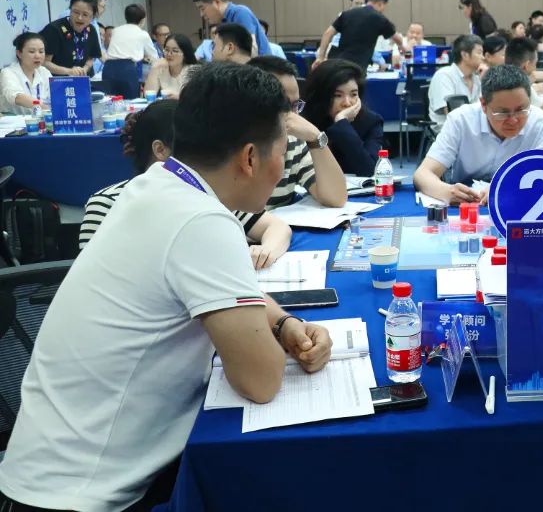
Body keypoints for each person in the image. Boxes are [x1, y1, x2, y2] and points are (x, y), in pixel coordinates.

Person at [0, 63, 334, 512]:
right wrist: (274, 339)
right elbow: (261, 381)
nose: (281, 166)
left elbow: (220, 286)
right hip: (84, 497)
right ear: (250, 158)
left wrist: (282, 323)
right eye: (282, 148)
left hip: (46, 473)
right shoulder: (201, 220)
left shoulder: (159, 184)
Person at [79, 99, 293, 269]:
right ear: (160, 150)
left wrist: (264, 252)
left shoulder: (208, 193)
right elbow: (97, 276)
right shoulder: (105, 203)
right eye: (189, 148)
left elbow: (277, 228)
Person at [414, 65, 543, 205]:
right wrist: (447, 192)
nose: (513, 120)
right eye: (503, 112)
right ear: (483, 105)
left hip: (517, 204)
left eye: (521, 110)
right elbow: (423, 174)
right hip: (466, 204)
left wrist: (507, 188)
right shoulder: (461, 120)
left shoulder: (540, 123)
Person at [247, 56, 348, 209]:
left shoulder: (293, 140)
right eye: (285, 105)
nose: (293, 115)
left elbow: (336, 198)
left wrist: (316, 138)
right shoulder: (233, 146)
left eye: (296, 105)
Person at [300, 58, 384, 176]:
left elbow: (371, 170)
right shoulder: (304, 121)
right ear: (320, 95)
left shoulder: (370, 122)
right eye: (337, 95)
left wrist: (341, 124)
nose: (347, 103)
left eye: (353, 94)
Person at [314, 0, 404, 71]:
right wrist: (402, 48)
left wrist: (320, 58)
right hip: (357, 68)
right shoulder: (379, 18)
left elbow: (328, 33)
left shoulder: (346, 14)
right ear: (381, 4)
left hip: (338, 64)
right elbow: (398, 39)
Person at [192, 0, 271, 57]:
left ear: (217, 2)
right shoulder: (223, 22)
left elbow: (251, 50)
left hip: (261, 66)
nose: (201, 14)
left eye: (202, 8)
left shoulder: (240, 13)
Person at [101, 3, 159, 98]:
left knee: (110, 100)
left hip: (109, 68)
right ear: (142, 20)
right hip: (127, 70)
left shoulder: (116, 30)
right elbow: (154, 57)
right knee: (131, 101)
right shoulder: (142, 34)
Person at [40, 0, 102, 76]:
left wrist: (85, 68)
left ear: (92, 17)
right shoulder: (54, 29)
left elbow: (91, 57)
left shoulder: (91, 30)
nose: (79, 17)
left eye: (85, 14)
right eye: (76, 12)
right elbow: (44, 62)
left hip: (84, 79)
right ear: (70, 10)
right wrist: (68, 71)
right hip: (58, 81)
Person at [427, 34, 483, 125]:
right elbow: (452, 113)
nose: (483, 57)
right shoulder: (444, 75)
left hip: (473, 127)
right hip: (448, 129)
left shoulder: (477, 78)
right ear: (465, 55)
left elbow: (485, 108)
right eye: (479, 53)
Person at [0, 32, 51, 115]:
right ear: (19, 53)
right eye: (32, 51)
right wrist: (41, 105)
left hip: (41, 119)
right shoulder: (8, 72)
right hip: (14, 120)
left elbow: (55, 95)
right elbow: (17, 97)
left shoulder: (44, 72)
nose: (37, 56)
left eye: (41, 51)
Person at [505, 37, 543, 117]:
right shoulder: (523, 85)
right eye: (535, 63)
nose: (535, 68)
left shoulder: (501, 80)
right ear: (527, 65)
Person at [145, 33, 199, 99]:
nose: (169, 54)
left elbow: (197, 99)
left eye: (175, 51)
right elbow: (148, 96)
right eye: (166, 50)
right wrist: (154, 68)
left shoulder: (193, 71)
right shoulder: (160, 67)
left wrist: (179, 97)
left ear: (185, 54)